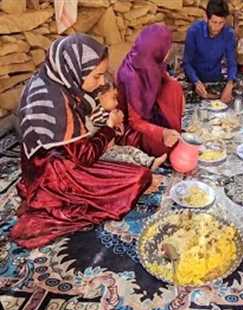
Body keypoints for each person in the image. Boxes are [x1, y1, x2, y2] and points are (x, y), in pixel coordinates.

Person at [11, 34, 152, 249]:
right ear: (74, 69)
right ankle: (59, 199)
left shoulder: (56, 80)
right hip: (52, 175)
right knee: (138, 177)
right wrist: (109, 128)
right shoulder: (54, 101)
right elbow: (85, 157)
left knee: (129, 159)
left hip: (56, 161)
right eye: (97, 76)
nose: (102, 82)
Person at [116, 24, 184, 158]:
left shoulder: (150, 60)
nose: (168, 52)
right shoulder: (131, 76)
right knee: (162, 147)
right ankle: (165, 143)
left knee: (173, 87)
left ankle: (173, 133)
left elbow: (163, 79)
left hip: (150, 111)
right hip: (133, 130)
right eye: (167, 49)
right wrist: (161, 133)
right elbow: (134, 121)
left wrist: (179, 95)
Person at [89, 73, 167, 170]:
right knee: (125, 158)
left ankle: (150, 162)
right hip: (101, 154)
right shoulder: (96, 114)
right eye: (113, 98)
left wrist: (117, 126)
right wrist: (112, 122)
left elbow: (115, 134)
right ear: (101, 96)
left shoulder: (106, 111)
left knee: (130, 150)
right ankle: (139, 171)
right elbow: (102, 134)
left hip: (111, 149)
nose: (117, 103)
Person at [182, 0, 237, 103]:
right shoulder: (193, 32)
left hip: (214, 78)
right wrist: (196, 82)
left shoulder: (229, 34)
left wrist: (229, 85)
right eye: (214, 22)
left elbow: (232, 63)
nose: (217, 27)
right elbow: (187, 63)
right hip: (193, 78)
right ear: (206, 18)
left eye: (221, 23)